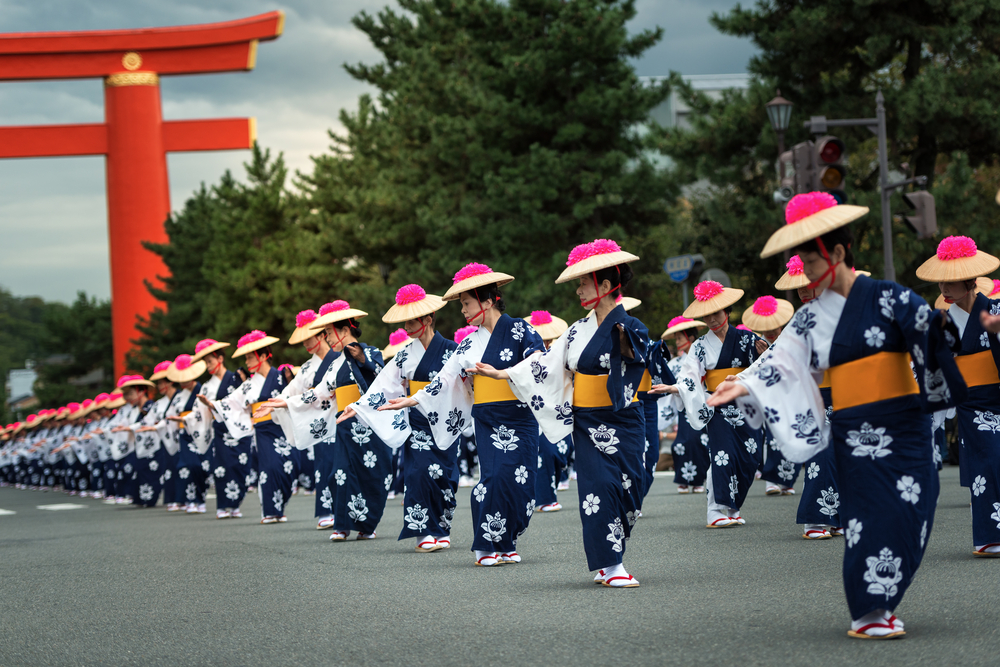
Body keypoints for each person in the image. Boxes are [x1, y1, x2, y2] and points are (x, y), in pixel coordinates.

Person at [710, 191, 967, 639]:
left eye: (811, 263)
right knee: (867, 517)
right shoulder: (811, 316)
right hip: (853, 428)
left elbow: (930, 332)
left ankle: (884, 599)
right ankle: (869, 610)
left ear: (839, 254)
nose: (806, 274)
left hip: (904, 423)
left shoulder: (889, 297)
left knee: (914, 512)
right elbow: (782, 360)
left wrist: (939, 330)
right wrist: (744, 384)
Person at [464, 241, 648, 586]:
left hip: (624, 419)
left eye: (584, 283)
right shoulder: (576, 331)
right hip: (588, 421)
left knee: (630, 487)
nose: (578, 290)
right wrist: (504, 373)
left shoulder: (633, 326)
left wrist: (625, 344)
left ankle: (613, 548)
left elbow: (642, 359)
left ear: (606, 285)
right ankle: (611, 566)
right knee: (599, 487)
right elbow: (545, 365)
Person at [377, 263, 545, 567]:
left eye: (467, 303)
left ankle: (506, 541)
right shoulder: (468, 343)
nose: (463, 311)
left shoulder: (521, 329)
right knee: (494, 477)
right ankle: (486, 546)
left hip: (521, 415)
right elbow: (444, 379)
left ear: (487, 301)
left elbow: (538, 362)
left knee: (523, 482)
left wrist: (503, 373)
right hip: (489, 418)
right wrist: (412, 400)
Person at [339, 284, 461, 552]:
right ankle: (422, 531)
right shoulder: (405, 354)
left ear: (428, 319)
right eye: (405, 322)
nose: (406, 327)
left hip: (445, 419)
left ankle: (441, 528)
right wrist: (358, 407)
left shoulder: (453, 350)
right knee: (418, 474)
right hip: (417, 422)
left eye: (411, 321)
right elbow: (384, 384)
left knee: (445, 476)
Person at [261, 301, 390, 540]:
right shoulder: (335, 363)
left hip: (369, 424)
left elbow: (383, 381)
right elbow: (320, 392)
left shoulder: (372, 352)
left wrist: (363, 359)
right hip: (344, 424)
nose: (327, 339)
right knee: (339, 473)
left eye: (329, 333)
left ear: (344, 330)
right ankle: (341, 525)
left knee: (371, 475)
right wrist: (285, 402)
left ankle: (367, 525)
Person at [652, 282, 765, 528]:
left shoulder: (748, 339)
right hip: (718, 405)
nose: (712, 319)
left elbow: (764, 366)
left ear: (727, 311)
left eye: (716, 313)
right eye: (707, 315)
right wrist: (675, 388)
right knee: (721, 455)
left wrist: (762, 354)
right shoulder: (700, 346)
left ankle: (732, 507)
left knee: (749, 456)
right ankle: (715, 510)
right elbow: (689, 377)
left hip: (746, 404)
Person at [916, 236, 1000, 557]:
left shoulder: (995, 310)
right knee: (988, 458)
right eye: (941, 281)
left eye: (950, 281)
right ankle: (990, 536)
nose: (944, 288)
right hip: (971, 404)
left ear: (970, 280)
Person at [201, 331, 289, 524]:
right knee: (268, 468)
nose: (247, 362)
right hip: (262, 430)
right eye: (247, 358)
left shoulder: (282, 376)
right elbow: (231, 402)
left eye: (250, 357)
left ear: (263, 356)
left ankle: (280, 508)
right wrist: (211, 404)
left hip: (283, 426)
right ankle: (269, 511)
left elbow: (294, 395)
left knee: (287, 468)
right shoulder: (249, 384)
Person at [276, 310, 339, 529]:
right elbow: (291, 391)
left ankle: (344, 511)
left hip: (342, 416)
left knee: (345, 465)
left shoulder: (340, 357)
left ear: (322, 335)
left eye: (308, 338)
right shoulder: (306, 368)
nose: (305, 344)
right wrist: (278, 402)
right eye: (302, 340)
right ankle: (325, 511)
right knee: (323, 465)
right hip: (320, 421)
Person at [740, 296, 801, 496]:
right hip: (768, 393)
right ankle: (772, 480)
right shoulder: (756, 343)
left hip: (791, 391)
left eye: (775, 326)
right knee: (772, 437)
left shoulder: (792, 339)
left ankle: (787, 480)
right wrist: (762, 356)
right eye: (766, 327)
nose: (771, 331)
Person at [185, 339, 248, 518]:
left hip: (238, 427)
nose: (208, 366)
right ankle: (222, 506)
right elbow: (199, 412)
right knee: (222, 467)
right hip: (220, 429)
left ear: (220, 359)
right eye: (206, 363)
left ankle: (235, 505)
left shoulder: (237, 378)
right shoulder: (206, 386)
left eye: (210, 361)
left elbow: (244, 401)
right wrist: (186, 418)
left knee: (240, 466)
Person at [525, 310, 571, 513]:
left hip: (559, 408)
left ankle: (545, 491)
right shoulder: (523, 356)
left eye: (547, 339)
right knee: (545, 452)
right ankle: (545, 498)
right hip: (534, 409)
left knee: (562, 451)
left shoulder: (559, 354)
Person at [658, 317, 709, 494]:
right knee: (682, 443)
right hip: (683, 407)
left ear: (691, 338)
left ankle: (698, 479)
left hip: (702, 405)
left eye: (680, 338)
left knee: (700, 442)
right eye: (677, 339)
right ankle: (683, 478)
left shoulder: (704, 357)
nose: (677, 342)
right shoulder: (675, 363)